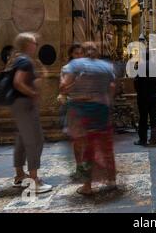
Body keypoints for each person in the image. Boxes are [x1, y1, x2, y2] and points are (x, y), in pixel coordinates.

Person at [60, 42, 116, 195]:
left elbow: (63, 87)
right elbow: (112, 87)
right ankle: (111, 179)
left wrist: (75, 85)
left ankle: (87, 185)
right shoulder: (106, 66)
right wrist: (107, 101)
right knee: (106, 145)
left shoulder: (75, 65)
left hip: (81, 110)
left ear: (83, 52)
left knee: (87, 147)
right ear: (97, 53)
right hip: (101, 109)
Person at [8, 33, 52, 194]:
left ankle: (20, 175)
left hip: (17, 104)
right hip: (25, 103)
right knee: (35, 139)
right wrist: (32, 93)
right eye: (35, 43)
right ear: (27, 44)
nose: (36, 46)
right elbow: (18, 82)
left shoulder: (16, 59)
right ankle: (34, 180)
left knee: (22, 139)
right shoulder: (25, 60)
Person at [58, 43, 84, 181]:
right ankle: (79, 166)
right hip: (74, 105)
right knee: (78, 139)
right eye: (76, 53)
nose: (79, 56)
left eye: (81, 53)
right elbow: (63, 89)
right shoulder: (66, 69)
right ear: (71, 55)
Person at [134, 52, 156, 147]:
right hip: (154, 96)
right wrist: (155, 88)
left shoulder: (141, 66)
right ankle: (154, 139)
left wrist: (140, 90)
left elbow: (136, 82)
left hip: (143, 97)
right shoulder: (155, 67)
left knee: (143, 119)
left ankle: (143, 140)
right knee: (154, 119)